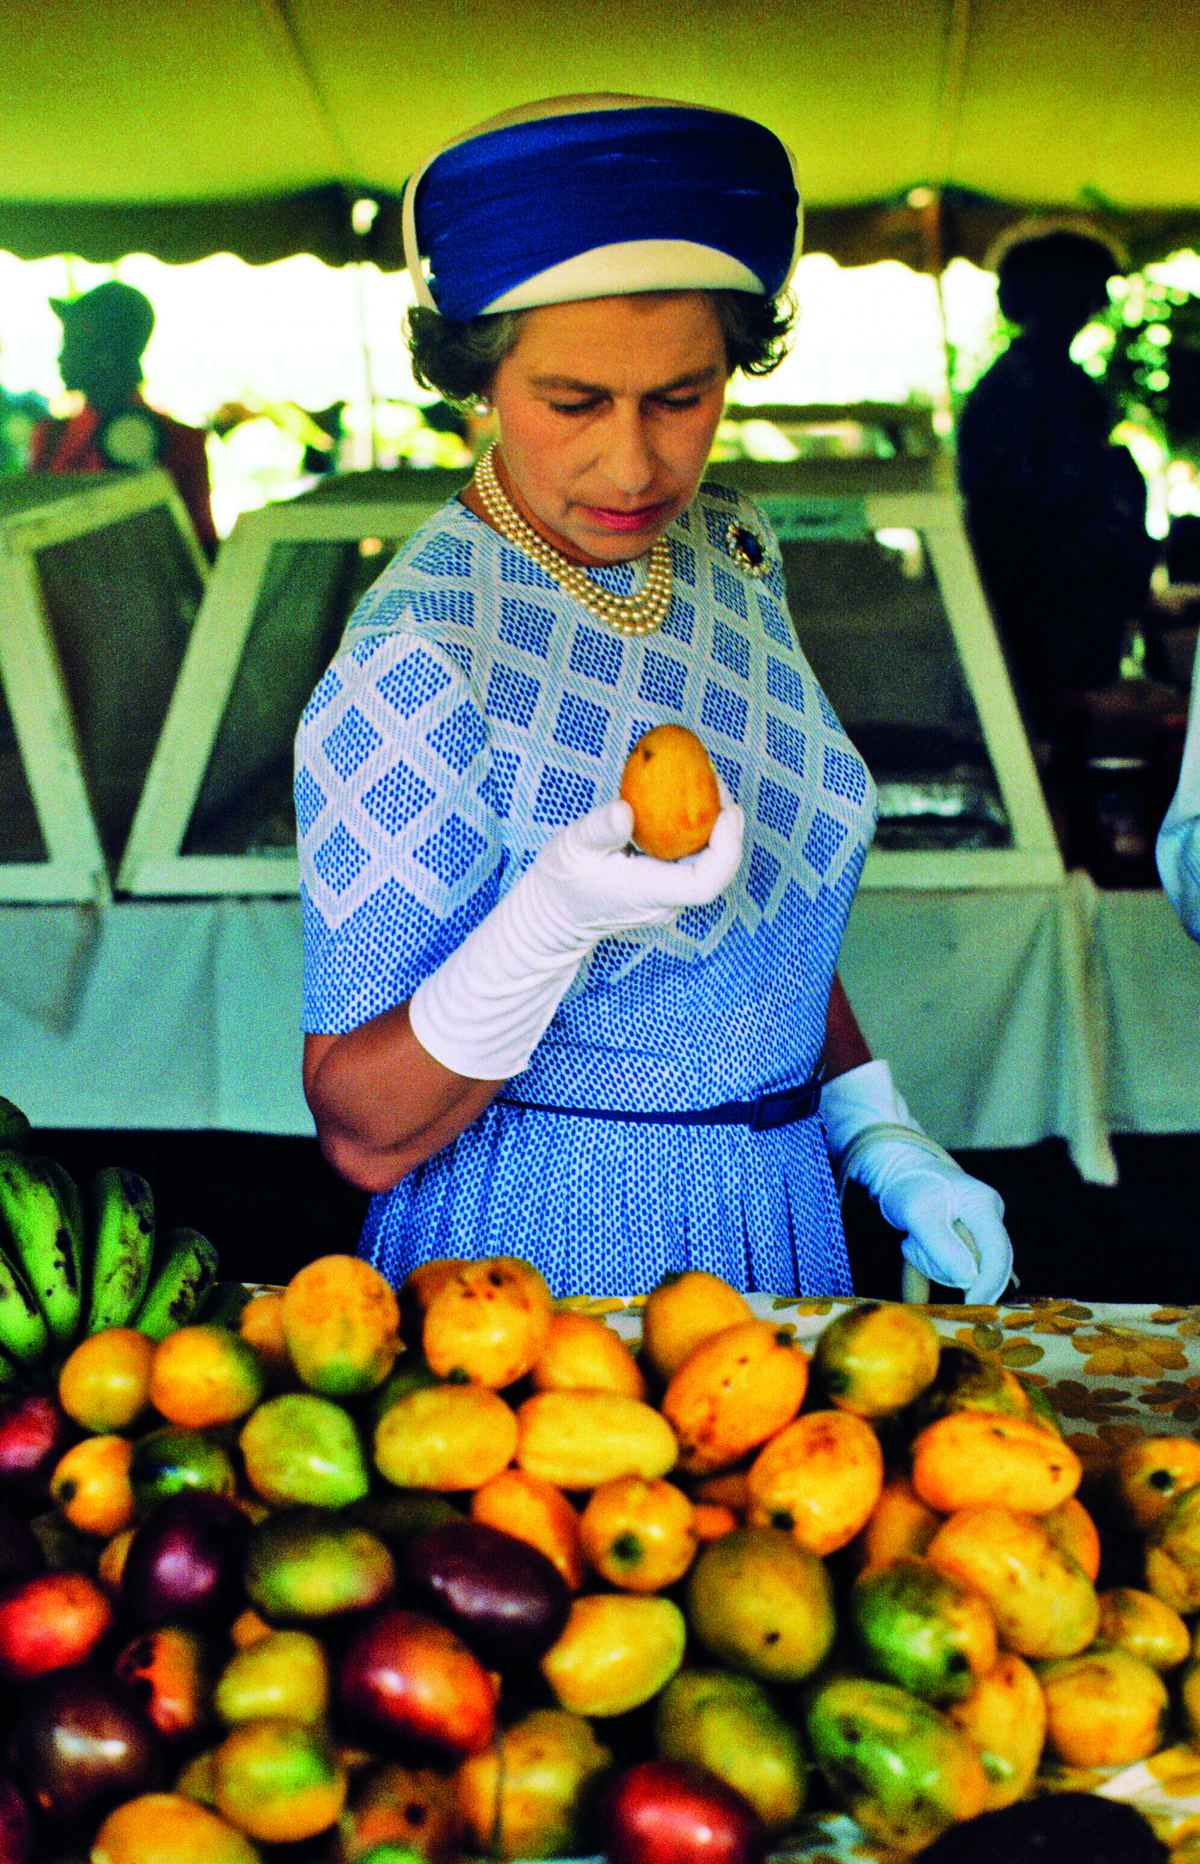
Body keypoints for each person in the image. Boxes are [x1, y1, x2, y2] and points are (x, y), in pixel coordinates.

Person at [295, 94, 1014, 1303]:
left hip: (778, 1203)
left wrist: (874, 1128)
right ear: (478, 376)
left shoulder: (729, 548)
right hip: (552, 1245)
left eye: (682, 397)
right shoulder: (421, 649)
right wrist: (550, 922)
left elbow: (760, 896)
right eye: (573, 402)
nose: (633, 466)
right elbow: (362, 1123)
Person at [955, 224, 1157, 738]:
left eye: (1090, 289)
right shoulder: (1020, 390)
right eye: (1071, 288)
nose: (1087, 301)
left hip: (1069, 623)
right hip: (1041, 625)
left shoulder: (1064, 385)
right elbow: (1020, 522)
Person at [28, 280, 218, 559]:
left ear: (108, 354)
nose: (61, 357)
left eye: (73, 343)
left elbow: (200, 546)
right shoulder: (48, 437)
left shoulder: (182, 443)